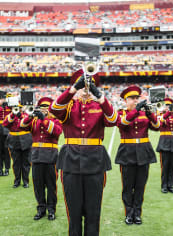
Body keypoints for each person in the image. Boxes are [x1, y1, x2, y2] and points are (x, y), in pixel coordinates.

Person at [49, 69, 117, 236]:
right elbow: (54, 109)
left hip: (95, 162)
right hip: (71, 161)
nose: (85, 89)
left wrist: (99, 96)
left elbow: (113, 120)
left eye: (89, 85)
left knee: (93, 212)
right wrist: (72, 90)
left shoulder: (99, 105)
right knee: (74, 212)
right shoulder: (69, 105)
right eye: (82, 85)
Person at [115, 85, 159, 225]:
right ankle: (129, 213)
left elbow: (157, 126)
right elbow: (123, 124)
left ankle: (137, 213)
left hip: (144, 151)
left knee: (140, 185)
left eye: (136, 98)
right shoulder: (121, 113)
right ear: (125, 101)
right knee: (128, 186)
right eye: (131, 99)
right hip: (127, 152)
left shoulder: (144, 113)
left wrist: (150, 113)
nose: (134, 101)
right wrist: (136, 110)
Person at [20, 97, 62, 221]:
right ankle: (41, 209)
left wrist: (44, 119)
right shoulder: (34, 121)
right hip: (37, 156)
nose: (44, 110)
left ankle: (51, 210)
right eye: (42, 107)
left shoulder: (56, 120)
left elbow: (57, 132)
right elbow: (22, 125)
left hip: (50, 156)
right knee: (38, 186)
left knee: (51, 185)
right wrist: (30, 116)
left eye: (46, 108)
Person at [3, 102, 33, 188]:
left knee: (26, 162)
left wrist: (21, 116)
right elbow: (5, 124)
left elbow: (30, 124)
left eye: (19, 108)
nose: (18, 110)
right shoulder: (11, 116)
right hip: (14, 140)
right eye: (16, 108)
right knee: (16, 162)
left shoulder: (27, 115)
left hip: (26, 139)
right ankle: (17, 181)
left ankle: (25, 181)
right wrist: (13, 114)